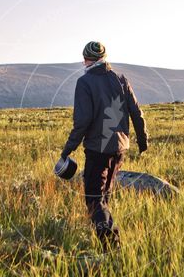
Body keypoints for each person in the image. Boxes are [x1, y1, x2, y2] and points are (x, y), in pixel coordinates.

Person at [60, 41, 148, 250]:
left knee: (93, 198)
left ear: (87, 59)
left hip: (98, 148)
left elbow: (82, 121)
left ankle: (112, 245)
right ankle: (106, 239)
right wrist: (142, 140)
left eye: (84, 59)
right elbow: (136, 112)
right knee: (104, 195)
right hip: (119, 148)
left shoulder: (85, 82)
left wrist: (67, 150)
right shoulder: (120, 79)